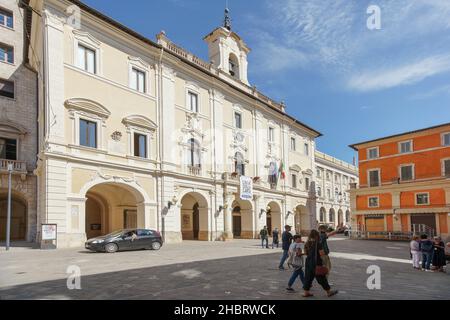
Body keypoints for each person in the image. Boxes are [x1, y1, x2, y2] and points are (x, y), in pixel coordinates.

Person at [302, 230, 338, 298]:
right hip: (316, 263)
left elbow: (306, 253)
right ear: (316, 236)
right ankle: (329, 292)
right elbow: (321, 254)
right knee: (321, 278)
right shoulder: (318, 244)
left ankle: (306, 292)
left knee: (308, 278)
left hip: (308, 262)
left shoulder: (307, 243)